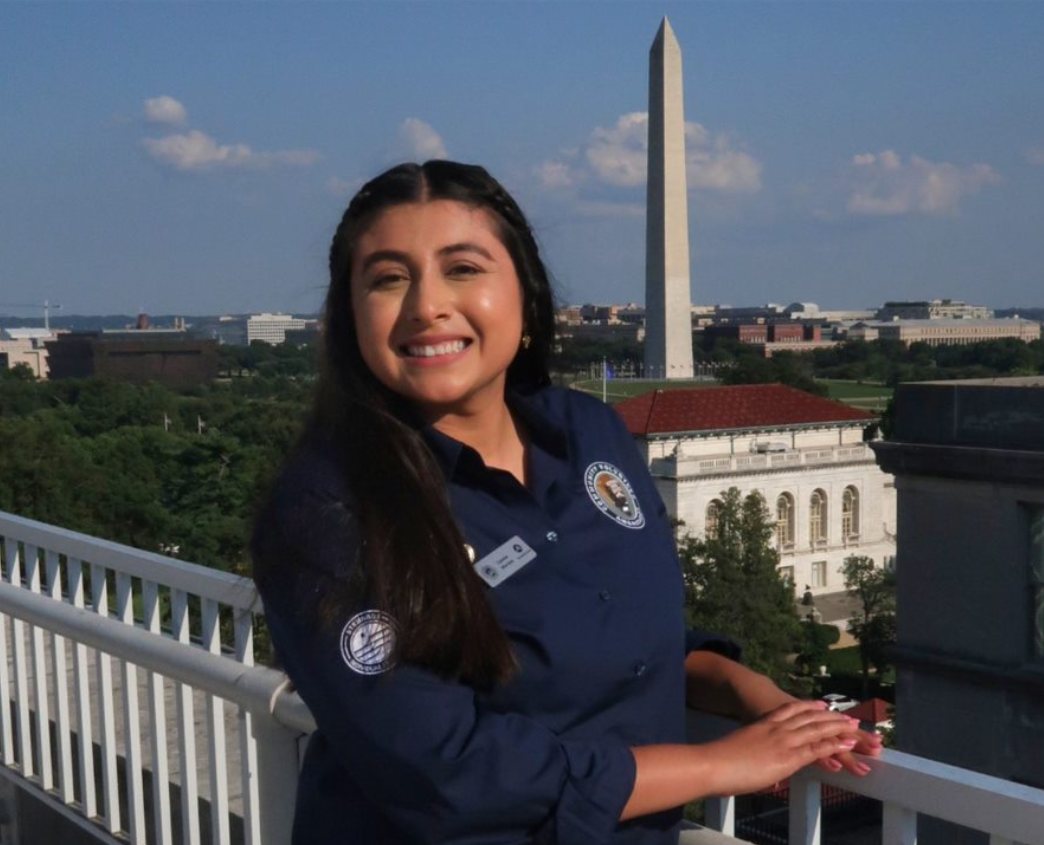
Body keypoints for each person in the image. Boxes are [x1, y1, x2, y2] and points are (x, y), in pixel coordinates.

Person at [251, 160, 881, 845]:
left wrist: (749, 692)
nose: (426, 304)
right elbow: (449, 771)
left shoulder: (592, 435)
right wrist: (719, 764)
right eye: (388, 277)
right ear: (351, 317)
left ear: (525, 294)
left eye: (462, 268)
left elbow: (618, 634)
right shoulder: (329, 509)